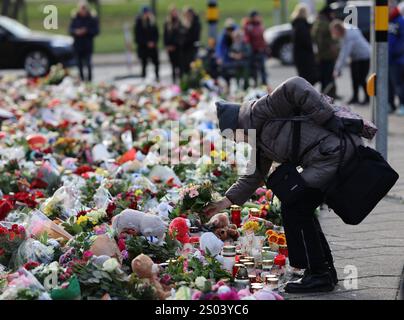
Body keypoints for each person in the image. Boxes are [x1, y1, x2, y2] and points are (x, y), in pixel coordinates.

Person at [204, 76, 363, 293]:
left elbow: (295, 84)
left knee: (296, 206)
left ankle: (318, 274)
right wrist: (223, 203)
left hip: (332, 151)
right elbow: (254, 174)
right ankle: (323, 270)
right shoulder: (256, 138)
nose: (235, 142)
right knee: (300, 206)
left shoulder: (261, 110)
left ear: (237, 126)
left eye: (232, 136)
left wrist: (326, 118)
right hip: (323, 156)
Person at [331, 20, 371, 105]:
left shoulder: (349, 35)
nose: (334, 34)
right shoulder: (344, 32)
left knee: (361, 78)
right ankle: (355, 97)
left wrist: (337, 69)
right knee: (354, 78)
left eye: (335, 32)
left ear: (339, 29)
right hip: (355, 57)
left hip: (364, 56)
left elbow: (344, 53)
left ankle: (367, 98)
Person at [312, 5, 339, 98]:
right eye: (332, 13)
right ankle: (328, 95)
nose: (333, 15)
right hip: (328, 55)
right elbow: (322, 41)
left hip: (322, 55)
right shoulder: (326, 24)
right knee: (328, 77)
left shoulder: (318, 23)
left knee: (324, 77)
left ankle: (324, 95)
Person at [69, 0, 99, 82]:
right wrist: (76, 31)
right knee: (79, 64)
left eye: (84, 8)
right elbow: (70, 30)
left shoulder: (92, 18)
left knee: (88, 63)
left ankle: (89, 80)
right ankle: (82, 80)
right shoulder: (75, 17)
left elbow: (96, 31)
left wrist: (86, 31)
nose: (83, 10)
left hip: (87, 44)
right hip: (78, 45)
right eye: (81, 8)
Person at [291, 3, 317, 85]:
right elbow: (306, 41)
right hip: (305, 56)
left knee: (303, 77)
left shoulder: (296, 24)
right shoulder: (302, 26)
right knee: (308, 78)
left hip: (299, 55)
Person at [134, 6, 159, 81]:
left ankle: (157, 77)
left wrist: (153, 42)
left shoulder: (152, 22)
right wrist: (146, 43)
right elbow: (138, 36)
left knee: (156, 63)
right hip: (143, 48)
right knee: (144, 64)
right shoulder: (139, 23)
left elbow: (156, 34)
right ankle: (143, 79)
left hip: (153, 47)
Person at [243, 10, 268, 86]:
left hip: (261, 50)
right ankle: (255, 83)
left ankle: (264, 84)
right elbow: (246, 38)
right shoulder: (249, 26)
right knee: (254, 69)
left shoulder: (260, 25)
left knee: (262, 68)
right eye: (256, 16)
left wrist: (265, 47)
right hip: (253, 51)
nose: (257, 18)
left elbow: (262, 37)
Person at [388, 2, 404, 115]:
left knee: (399, 84)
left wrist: (394, 53)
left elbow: (402, 42)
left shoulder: (400, 21)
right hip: (387, 60)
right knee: (387, 84)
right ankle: (390, 104)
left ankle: (402, 104)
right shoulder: (385, 20)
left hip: (397, 60)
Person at [164, 6, 183, 83]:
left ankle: (181, 82)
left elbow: (181, 35)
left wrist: (176, 44)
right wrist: (167, 46)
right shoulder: (167, 23)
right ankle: (174, 82)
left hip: (178, 48)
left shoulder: (180, 22)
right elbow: (165, 35)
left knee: (180, 66)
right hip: (170, 48)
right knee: (173, 66)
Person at [181, 7, 201, 75]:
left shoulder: (195, 23)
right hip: (185, 48)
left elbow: (194, 36)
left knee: (192, 65)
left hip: (192, 48)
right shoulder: (185, 22)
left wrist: (187, 29)